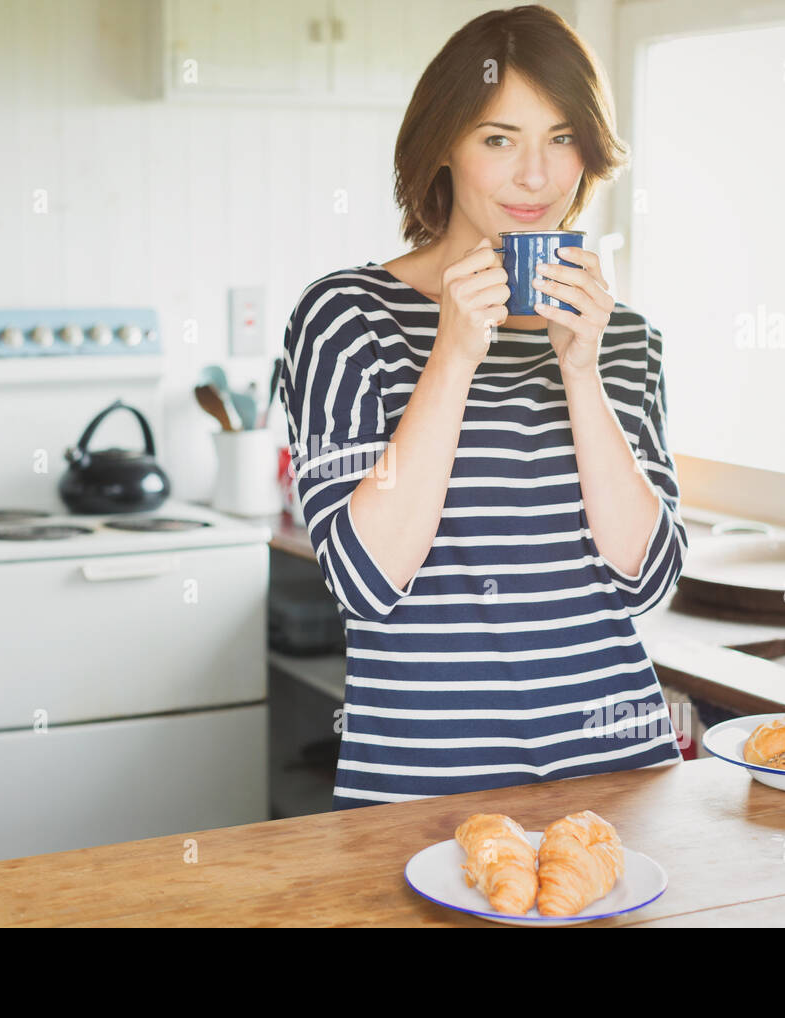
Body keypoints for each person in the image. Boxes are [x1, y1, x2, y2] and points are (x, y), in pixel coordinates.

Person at [278, 5, 688, 809]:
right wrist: (454, 354)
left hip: (619, 788)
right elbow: (363, 580)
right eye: (499, 139)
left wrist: (581, 371)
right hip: (424, 797)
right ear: (445, 148)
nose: (535, 176)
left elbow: (648, 580)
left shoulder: (621, 336)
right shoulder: (346, 316)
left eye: (561, 137)